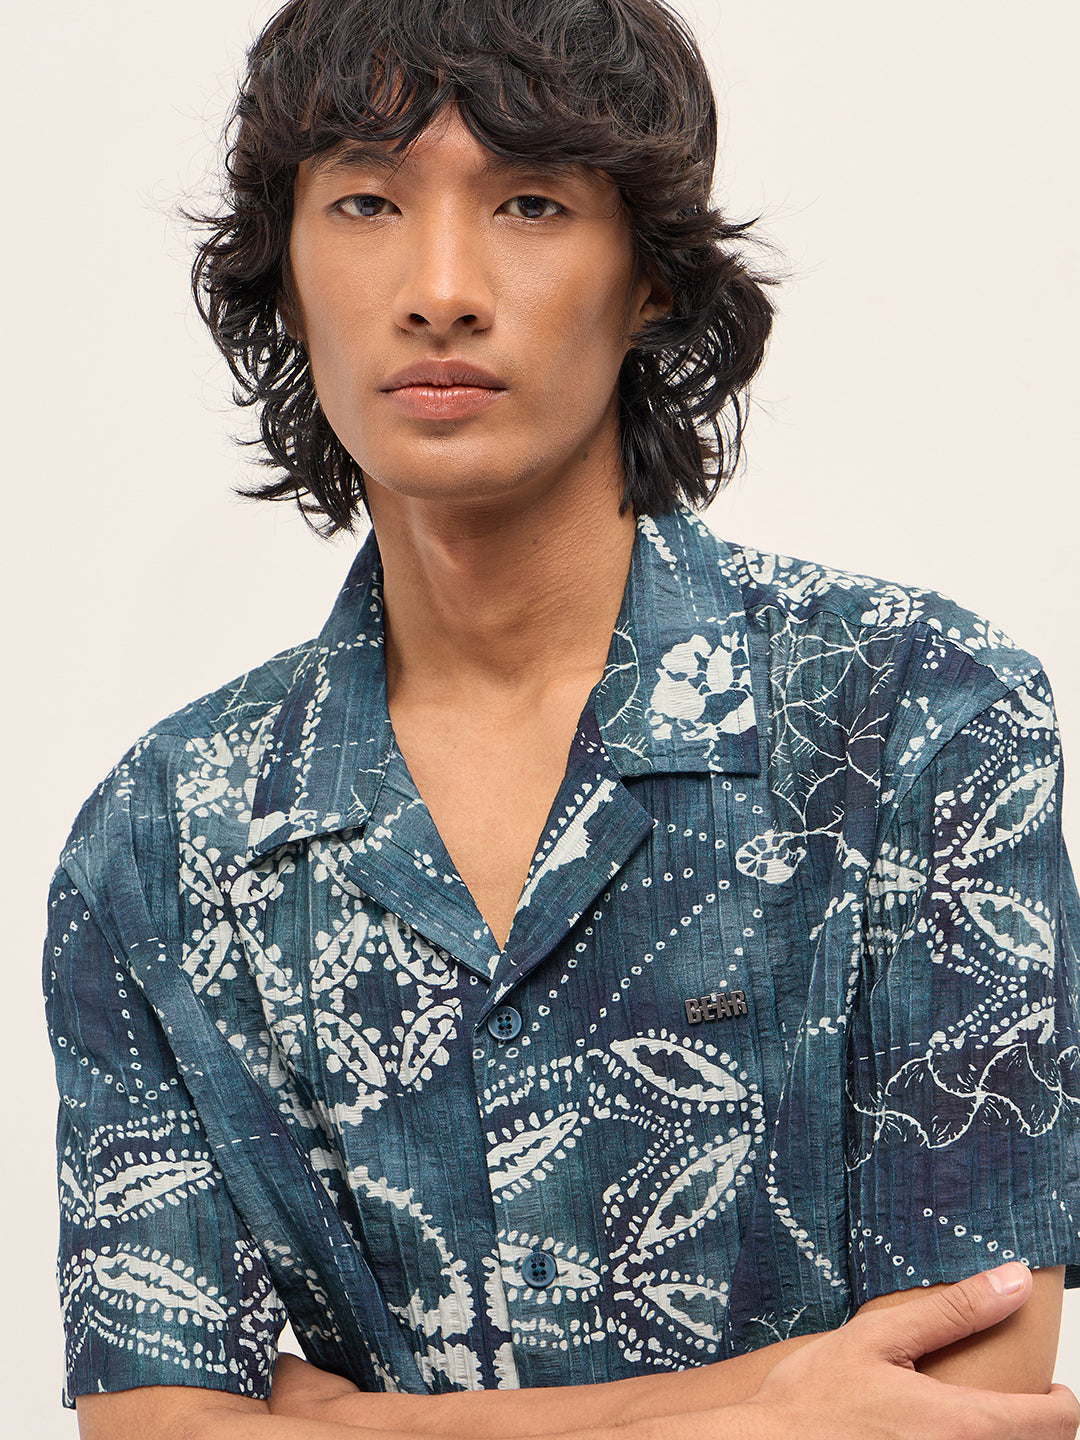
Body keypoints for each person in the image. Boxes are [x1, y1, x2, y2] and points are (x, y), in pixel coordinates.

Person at [43, 1, 1080, 1437]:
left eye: (529, 202)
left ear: (649, 273)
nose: (442, 289)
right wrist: (776, 1409)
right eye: (365, 202)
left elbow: (966, 1401)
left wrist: (359, 1423)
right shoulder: (166, 834)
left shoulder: (913, 713)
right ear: (287, 272)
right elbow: (154, 1427)